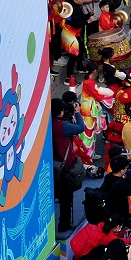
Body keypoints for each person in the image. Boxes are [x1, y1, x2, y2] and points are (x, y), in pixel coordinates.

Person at [52, 97, 88, 234]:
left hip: (51, 165)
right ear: (61, 112)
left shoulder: (47, 124)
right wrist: (78, 113)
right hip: (64, 167)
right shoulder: (62, 126)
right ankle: (64, 224)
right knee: (66, 197)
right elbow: (80, 128)